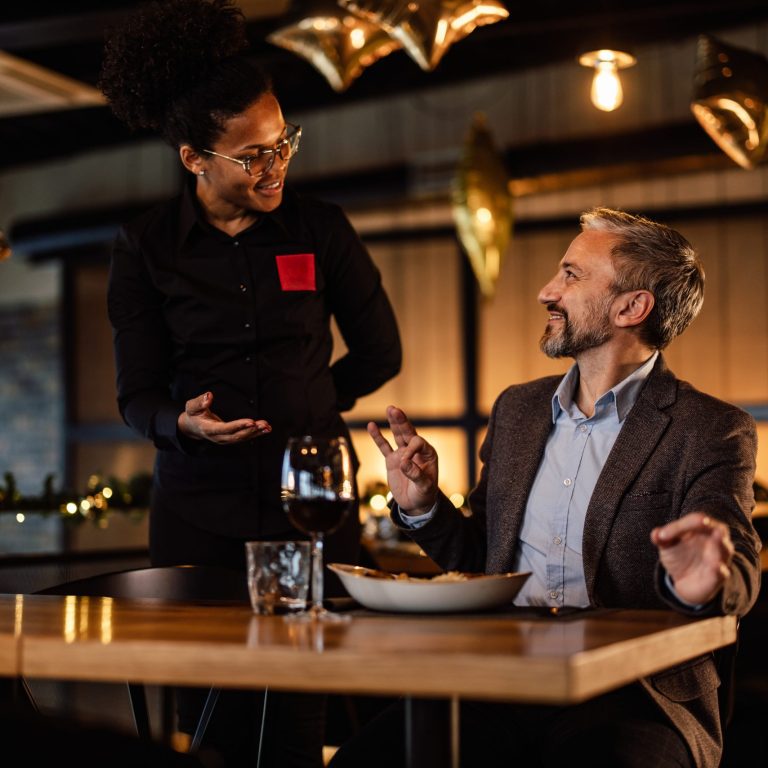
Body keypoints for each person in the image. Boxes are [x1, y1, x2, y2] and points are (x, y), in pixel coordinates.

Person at [330, 207, 762, 768]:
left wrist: (706, 580)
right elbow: (483, 556)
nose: (545, 291)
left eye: (571, 275)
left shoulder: (710, 428)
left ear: (632, 307)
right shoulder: (519, 409)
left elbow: (739, 565)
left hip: (635, 695)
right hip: (504, 680)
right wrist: (424, 506)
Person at [98, 1, 401, 765]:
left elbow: (380, 350)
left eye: (283, 144)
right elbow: (136, 394)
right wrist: (183, 426)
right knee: (210, 717)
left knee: (307, 707)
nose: (277, 167)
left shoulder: (319, 229)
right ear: (195, 159)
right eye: (252, 156)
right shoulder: (145, 248)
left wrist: (313, 404)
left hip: (315, 504)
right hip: (198, 513)